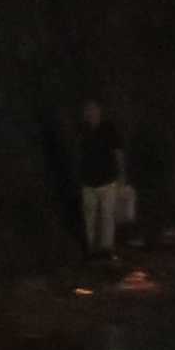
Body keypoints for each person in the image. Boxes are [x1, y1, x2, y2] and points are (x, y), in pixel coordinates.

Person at [74, 99, 128, 261]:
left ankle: (107, 249)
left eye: (94, 110)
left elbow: (118, 153)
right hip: (88, 182)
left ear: (99, 111)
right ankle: (90, 249)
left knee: (107, 216)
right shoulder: (82, 130)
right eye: (88, 110)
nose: (91, 113)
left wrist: (121, 176)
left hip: (107, 181)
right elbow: (77, 155)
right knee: (89, 217)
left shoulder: (108, 128)